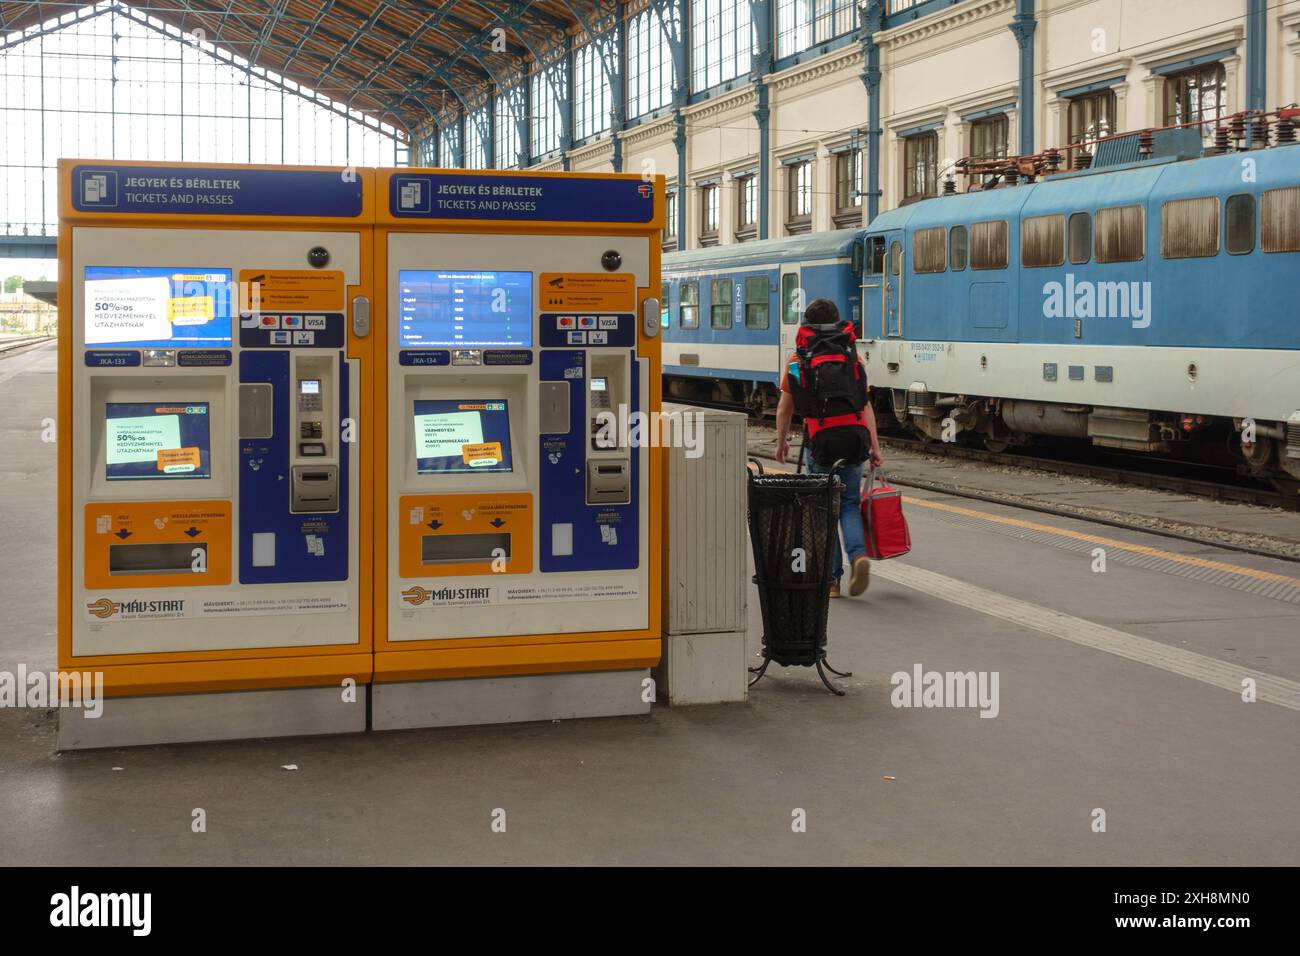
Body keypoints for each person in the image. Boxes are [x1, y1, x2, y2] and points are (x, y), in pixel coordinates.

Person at [774, 298, 883, 598]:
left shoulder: (798, 360)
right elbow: (866, 406)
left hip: (821, 442)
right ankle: (858, 556)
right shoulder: (852, 357)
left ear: (806, 326)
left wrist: (782, 441)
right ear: (838, 324)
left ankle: (832, 581)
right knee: (848, 503)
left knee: (823, 510)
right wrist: (875, 446)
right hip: (855, 437)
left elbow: (785, 408)